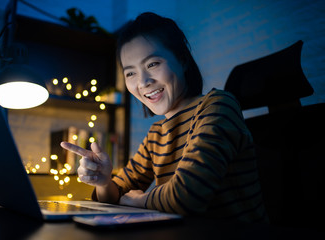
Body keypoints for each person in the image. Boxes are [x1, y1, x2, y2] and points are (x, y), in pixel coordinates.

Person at [61, 12, 268, 222]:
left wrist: (139, 200)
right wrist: (104, 182)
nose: (143, 83)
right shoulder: (156, 135)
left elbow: (188, 195)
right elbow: (114, 197)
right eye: (130, 73)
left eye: (152, 64)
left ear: (182, 59)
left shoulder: (217, 106)